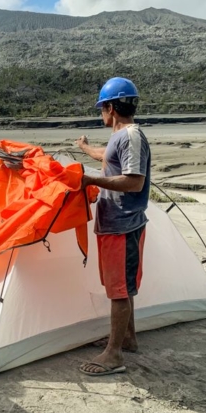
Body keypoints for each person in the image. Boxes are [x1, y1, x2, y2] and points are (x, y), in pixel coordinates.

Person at [74, 77, 151, 376]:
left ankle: (114, 354)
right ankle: (127, 338)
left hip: (123, 226)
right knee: (122, 287)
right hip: (113, 225)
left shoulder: (131, 136)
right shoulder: (120, 137)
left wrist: (90, 180)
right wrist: (85, 148)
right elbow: (107, 158)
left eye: (101, 109)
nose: (101, 114)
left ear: (110, 108)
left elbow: (134, 181)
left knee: (119, 291)